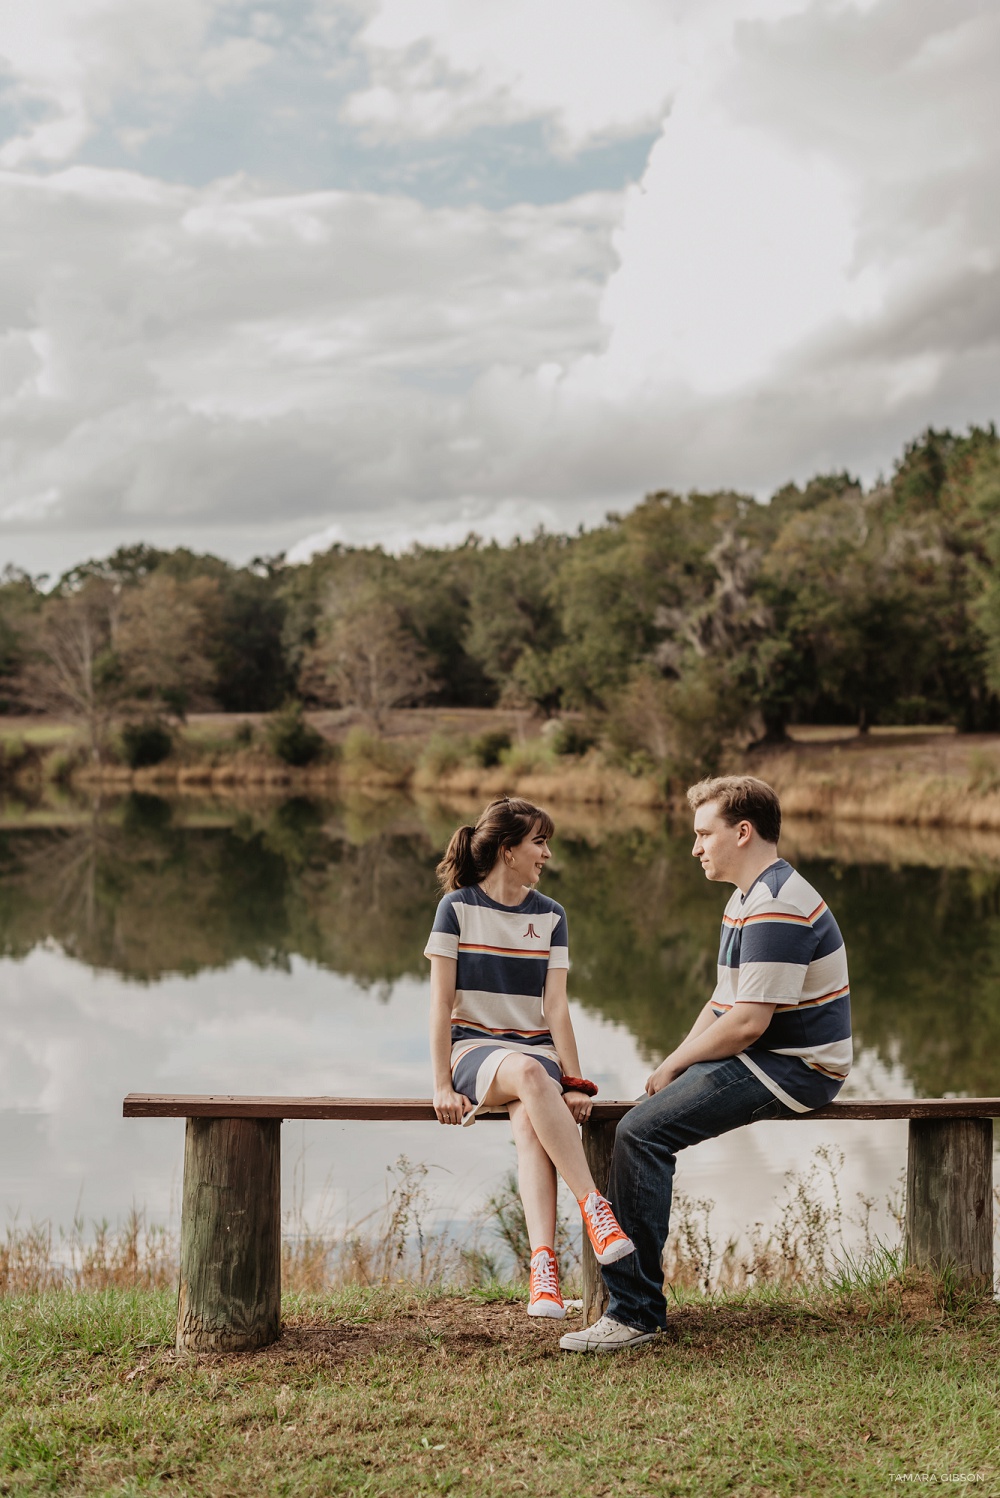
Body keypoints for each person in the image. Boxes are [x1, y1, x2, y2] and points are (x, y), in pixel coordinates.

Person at [560, 774, 852, 1353]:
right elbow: (722, 1003)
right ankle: (633, 1304)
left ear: (743, 832)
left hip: (797, 1067)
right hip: (765, 1054)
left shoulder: (776, 904)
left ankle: (636, 1315)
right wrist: (671, 1064)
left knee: (640, 1133)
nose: (695, 848)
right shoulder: (746, 897)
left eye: (703, 834)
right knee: (641, 1118)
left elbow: (747, 1023)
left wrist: (676, 1064)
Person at [425, 795, 635, 1320]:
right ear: (507, 850)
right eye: (538, 843)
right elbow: (438, 1004)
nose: (546, 854)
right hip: (474, 1051)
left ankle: (544, 1274)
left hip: (535, 1056)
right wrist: (440, 1085)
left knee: (528, 1125)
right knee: (522, 1071)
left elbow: (556, 1007)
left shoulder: (552, 916)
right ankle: (594, 1207)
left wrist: (574, 1081)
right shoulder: (457, 909)